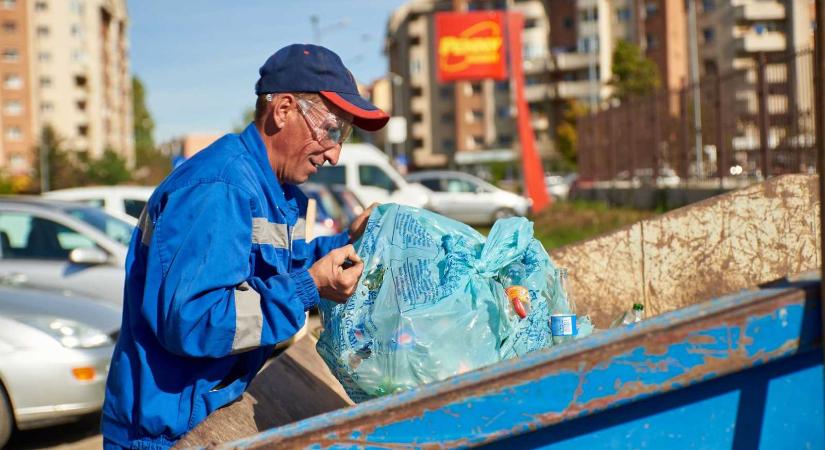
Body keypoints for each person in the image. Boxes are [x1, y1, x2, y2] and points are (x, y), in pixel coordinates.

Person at [101, 44, 389, 449]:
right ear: (284, 109)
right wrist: (309, 287)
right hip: (166, 436)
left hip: (200, 422)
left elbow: (280, 269)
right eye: (332, 130)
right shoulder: (220, 188)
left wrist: (352, 242)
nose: (336, 153)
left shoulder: (269, 189)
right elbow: (195, 320)